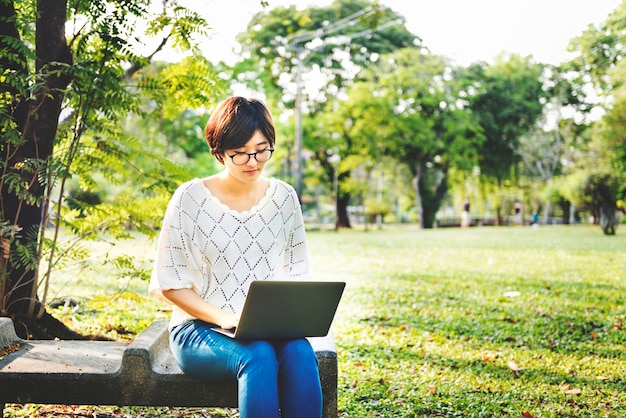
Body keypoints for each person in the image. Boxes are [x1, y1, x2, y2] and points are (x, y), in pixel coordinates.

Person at [149, 96, 323, 418]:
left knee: (300, 352)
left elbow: (298, 273)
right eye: (240, 153)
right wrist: (224, 317)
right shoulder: (190, 198)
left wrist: (289, 316)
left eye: (261, 149)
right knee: (256, 355)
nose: (253, 161)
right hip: (200, 330)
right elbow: (170, 284)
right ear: (219, 152)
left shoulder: (284, 198)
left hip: (267, 327)